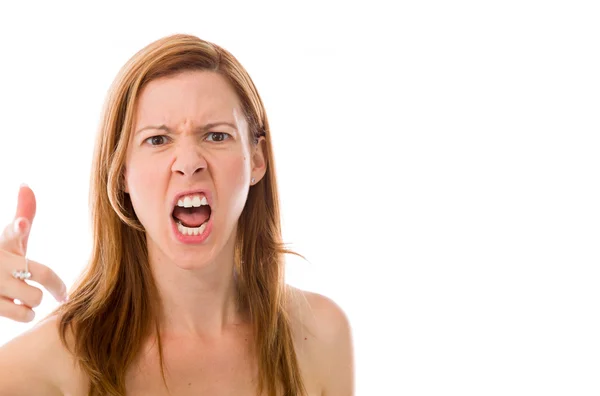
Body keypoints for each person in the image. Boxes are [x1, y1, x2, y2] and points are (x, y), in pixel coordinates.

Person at [0, 34, 354, 395]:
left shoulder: (320, 335)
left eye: (216, 136)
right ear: (121, 171)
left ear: (257, 160)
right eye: (157, 139)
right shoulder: (55, 360)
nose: (188, 163)